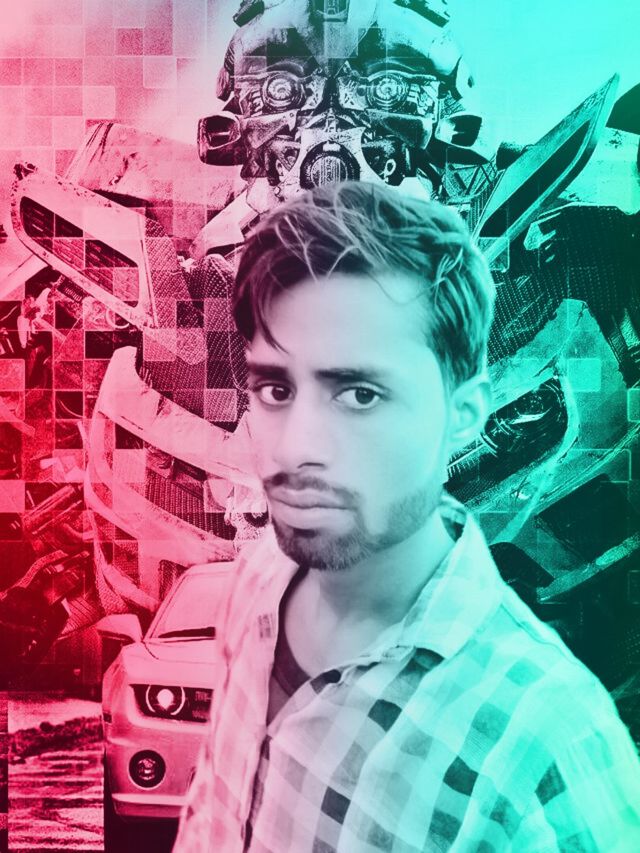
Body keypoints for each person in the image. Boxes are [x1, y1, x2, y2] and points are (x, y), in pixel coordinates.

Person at [174, 181, 640, 852]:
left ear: (464, 414)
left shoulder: (546, 751)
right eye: (276, 388)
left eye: (361, 393)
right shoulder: (259, 587)